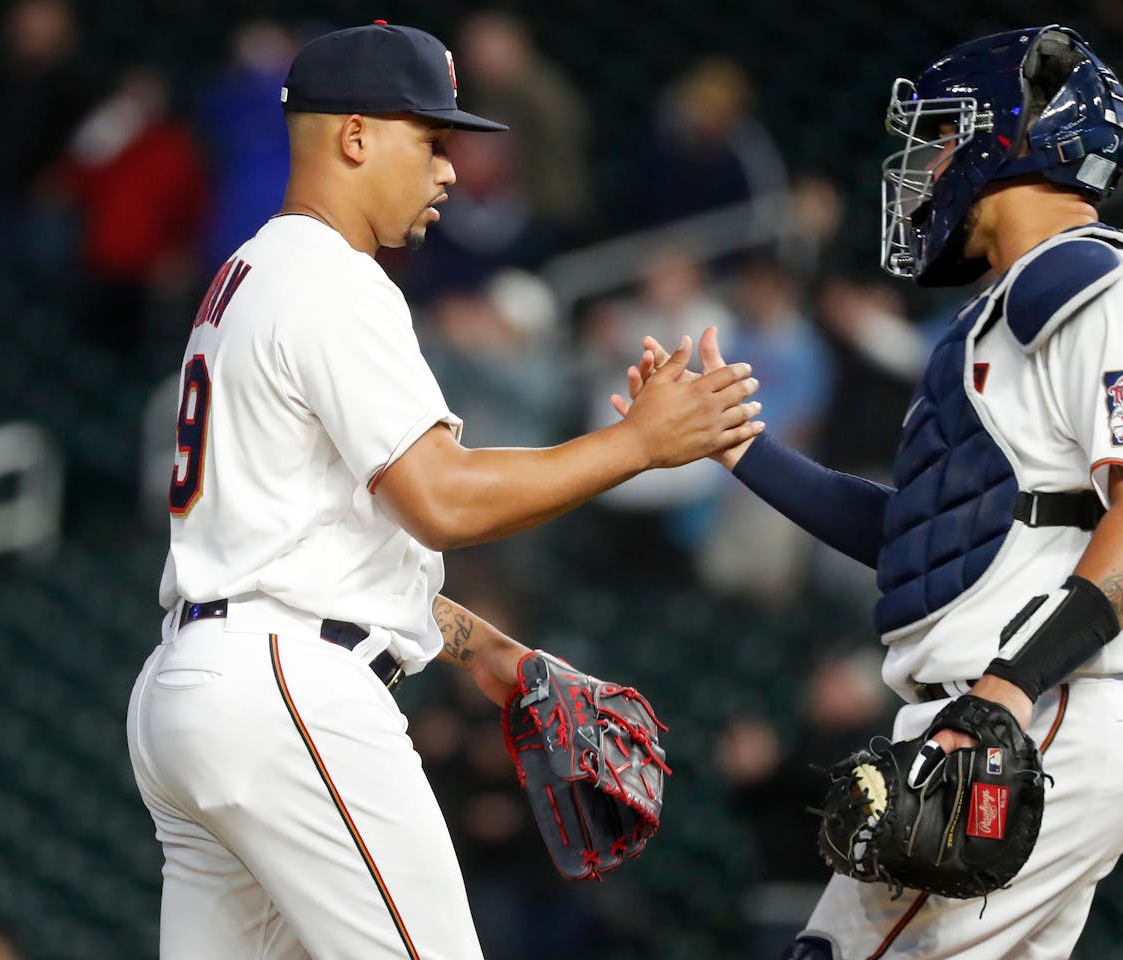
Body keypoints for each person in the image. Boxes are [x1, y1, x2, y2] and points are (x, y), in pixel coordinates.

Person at [124, 22, 762, 960]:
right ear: (354, 137)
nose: (451, 170)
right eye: (430, 141)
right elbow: (444, 499)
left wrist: (487, 650)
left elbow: (324, 543)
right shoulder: (330, 278)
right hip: (286, 691)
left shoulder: (251, 273)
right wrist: (636, 443)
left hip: (196, 691)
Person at [617, 26, 1123, 959]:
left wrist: (1005, 696)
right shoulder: (997, 313)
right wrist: (741, 451)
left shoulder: (1109, 286)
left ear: (1008, 137)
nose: (923, 163)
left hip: (1038, 709)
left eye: (943, 134)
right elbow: (924, 534)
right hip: (1012, 713)